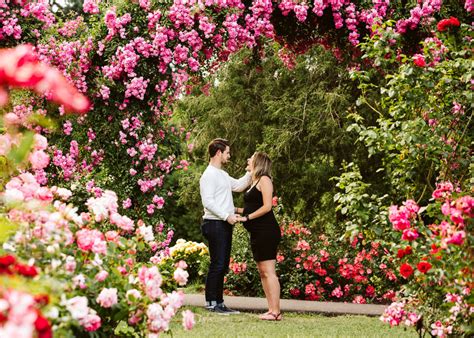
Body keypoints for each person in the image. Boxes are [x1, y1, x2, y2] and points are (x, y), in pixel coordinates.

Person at [199, 138, 251, 315]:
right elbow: (208, 202)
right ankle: (212, 303)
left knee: (222, 264)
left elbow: (238, 186)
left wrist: (251, 171)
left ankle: (219, 302)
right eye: (227, 152)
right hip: (214, 223)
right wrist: (226, 215)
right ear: (219, 153)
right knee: (218, 263)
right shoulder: (208, 175)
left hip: (223, 223)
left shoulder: (222, 174)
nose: (229, 155)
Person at [235, 151, 282, 321]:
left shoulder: (264, 180)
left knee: (269, 272)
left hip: (266, 231)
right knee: (263, 272)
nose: (248, 160)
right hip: (257, 231)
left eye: (251, 158)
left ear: (258, 163)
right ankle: (271, 310)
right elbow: (252, 207)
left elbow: (267, 206)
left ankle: (276, 312)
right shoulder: (254, 182)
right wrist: (234, 210)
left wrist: (247, 217)